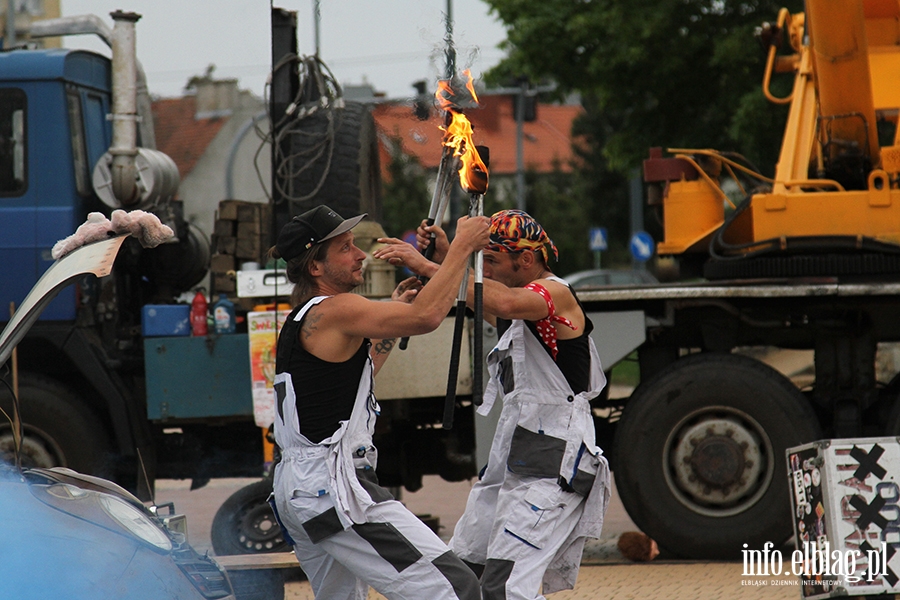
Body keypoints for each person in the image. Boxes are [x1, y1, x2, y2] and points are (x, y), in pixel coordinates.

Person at [374, 209, 610, 600]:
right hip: (515, 451)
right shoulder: (512, 287)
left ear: (527, 261)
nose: (485, 270)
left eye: (493, 261)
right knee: (464, 573)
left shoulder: (554, 293)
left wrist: (432, 266)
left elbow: (500, 300)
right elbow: (480, 295)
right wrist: (452, 252)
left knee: (505, 588)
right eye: (481, 261)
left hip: (554, 457)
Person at [269, 204, 489, 600]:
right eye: (345, 248)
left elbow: (361, 370)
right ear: (315, 267)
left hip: (302, 488)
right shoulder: (336, 309)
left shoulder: (305, 316)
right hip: (332, 488)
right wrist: (461, 248)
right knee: (455, 589)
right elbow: (427, 318)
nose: (361, 255)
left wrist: (394, 311)